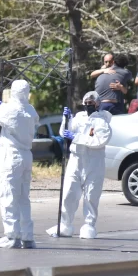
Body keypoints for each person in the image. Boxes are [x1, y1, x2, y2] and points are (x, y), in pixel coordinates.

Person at [46, 91, 111, 239]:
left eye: (91, 103)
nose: (88, 105)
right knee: (69, 192)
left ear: (97, 104)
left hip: (94, 162)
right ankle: (65, 224)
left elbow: (99, 141)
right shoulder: (79, 118)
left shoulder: (102, 121)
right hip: (76, 159)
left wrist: (77, 137)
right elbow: (65, 132)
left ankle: (89, 225)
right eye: (86, 103)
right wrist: (66, 119)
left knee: (91, 195)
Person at [0, 79, 39, 249]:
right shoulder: (30, 110)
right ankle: (27, 236)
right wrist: (2, 105)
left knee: (9, 196)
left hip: (12, 156)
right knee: (23, 198)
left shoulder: (10, 110)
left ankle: (12, 236)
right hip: (26, 156)